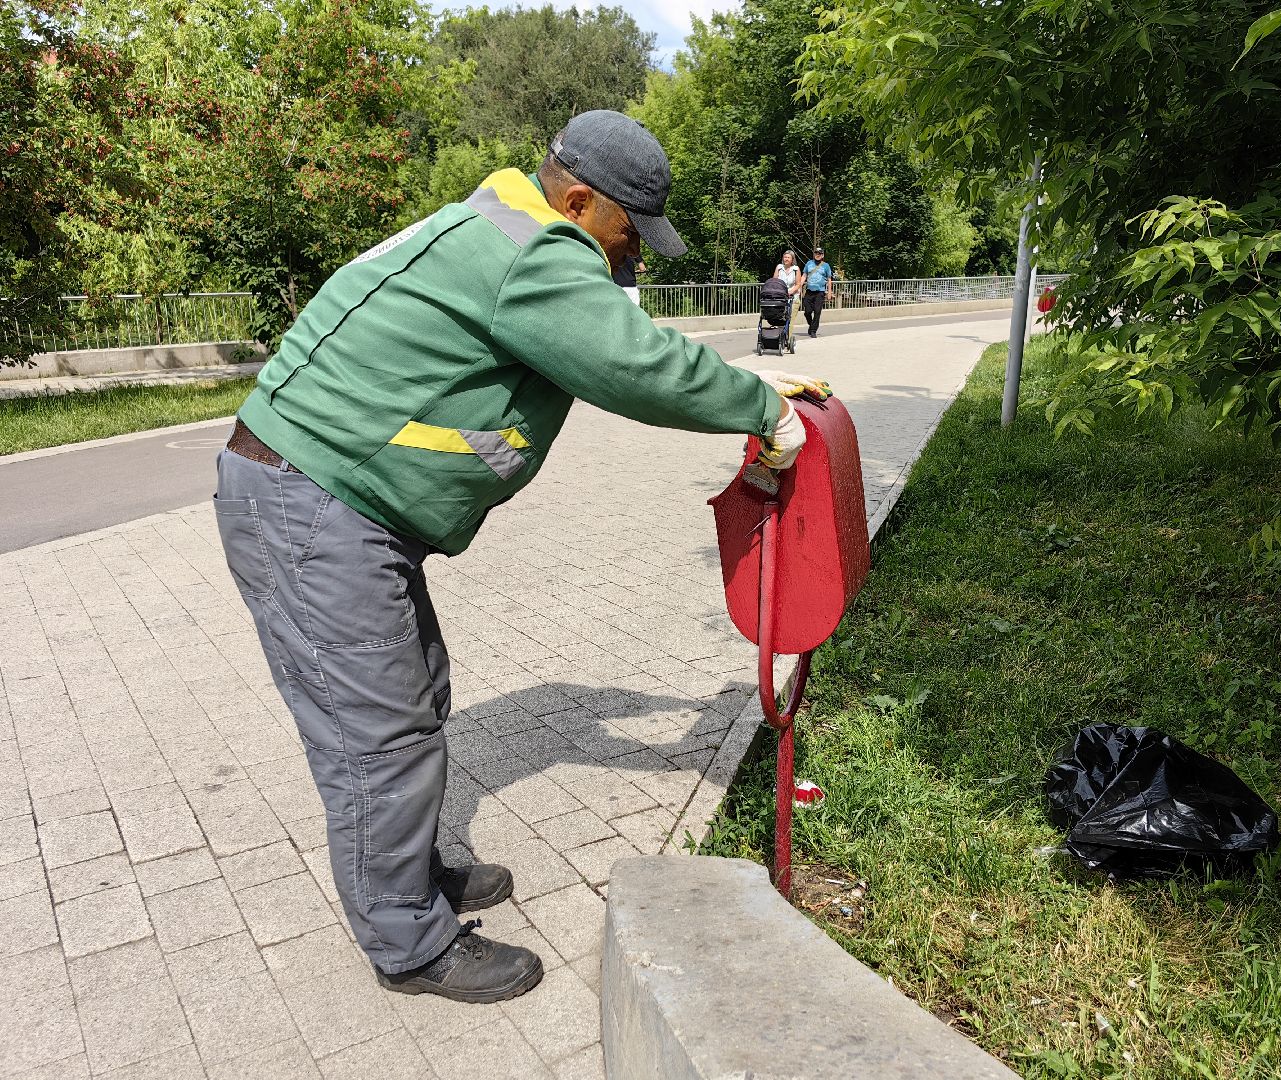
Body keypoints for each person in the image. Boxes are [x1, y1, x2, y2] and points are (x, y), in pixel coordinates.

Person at [212, 110, 830, 1005]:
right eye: (629, 231)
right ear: (579, 199)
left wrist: (752, 379)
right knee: (378, 734)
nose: (638, 255)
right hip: (315, 506)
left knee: (416, 692)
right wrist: (759, 411)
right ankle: (408, 943)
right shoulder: (535, 252)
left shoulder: (505, 227)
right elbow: (630, 366)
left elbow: (623, 346)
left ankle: (409, 875)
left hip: (329, 500)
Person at [801, 246, 834, 338]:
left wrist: (829, 292)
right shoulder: (809, 263)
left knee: (817, 311)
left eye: (819, 253)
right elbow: (804, 275)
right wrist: (799, 286)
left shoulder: (826, 265)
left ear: (822, 255)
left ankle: (813, 330)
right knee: (807, 311)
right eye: (816, 253)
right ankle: (811, 325)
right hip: (809, 291)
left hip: (820, 292)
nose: (817, 255)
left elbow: (829, 279)